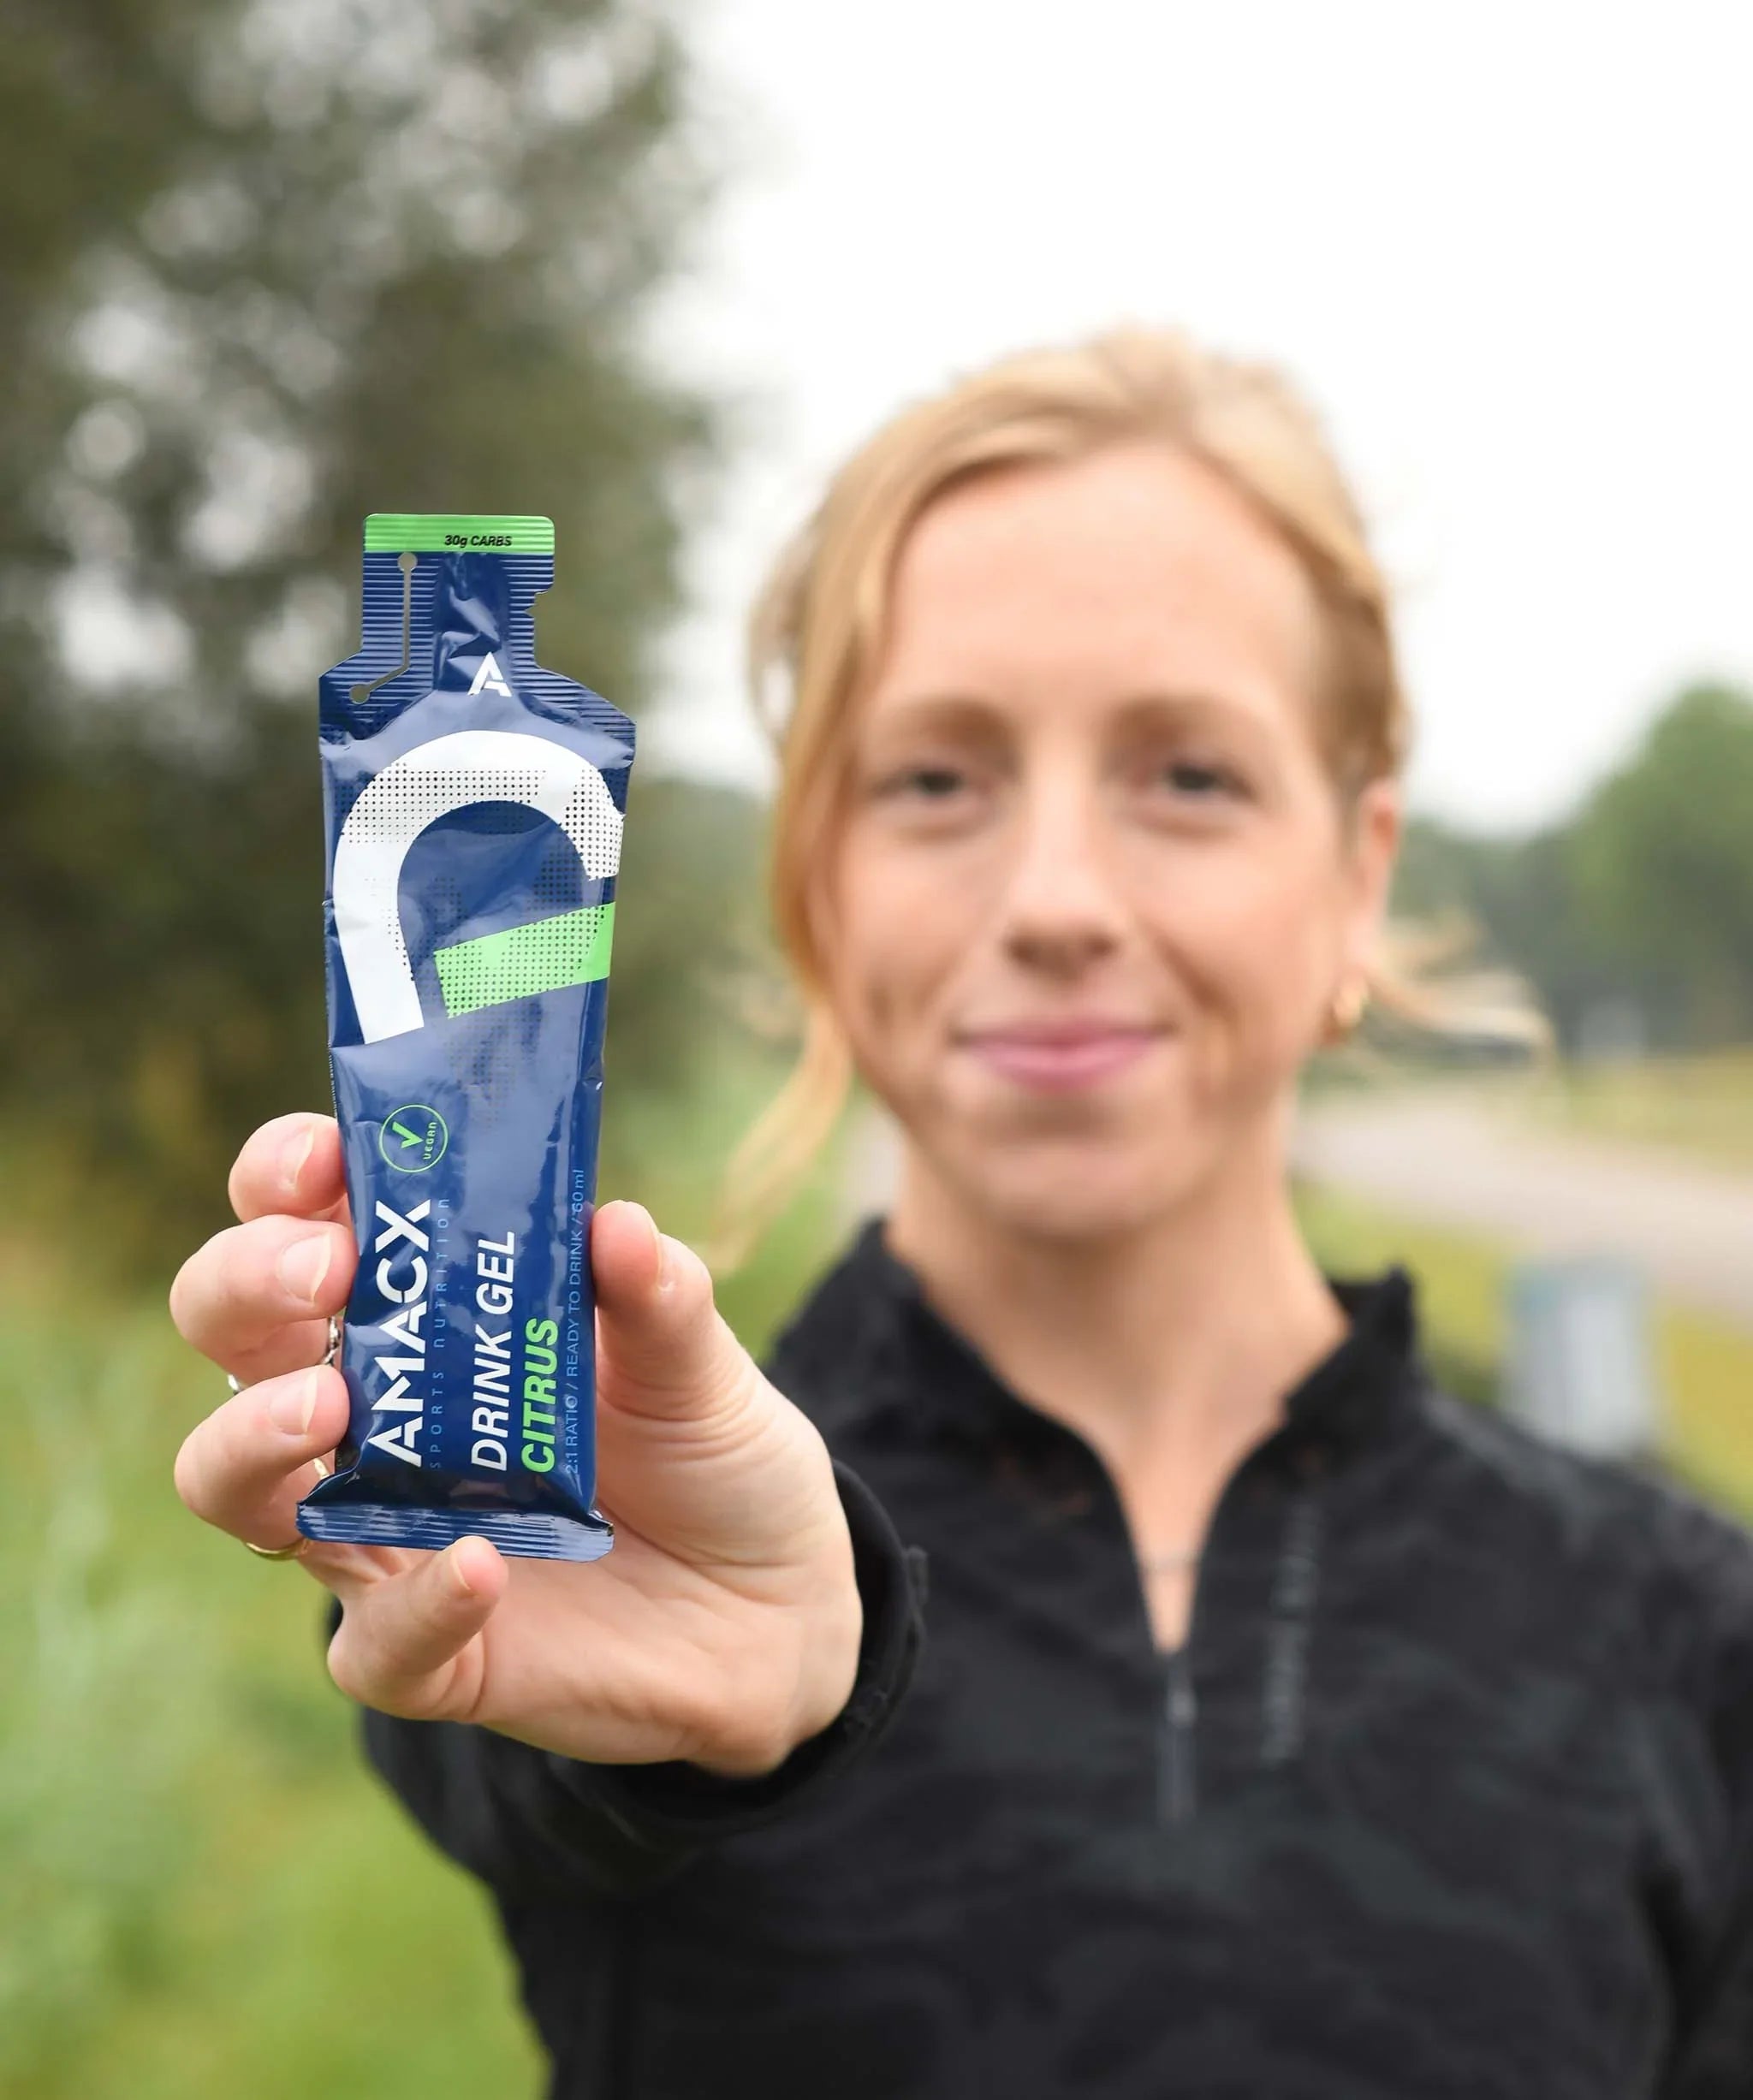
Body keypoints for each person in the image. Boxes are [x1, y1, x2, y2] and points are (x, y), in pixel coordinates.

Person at [169, 331, 1753, 2098]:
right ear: (817, 883)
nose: (1056, 899)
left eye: (1190, 775)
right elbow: (513, 1748)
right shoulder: (626, 1518)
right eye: (935, 780)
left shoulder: (1689, 1627)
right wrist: (710, 1704)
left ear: (1355, 873)